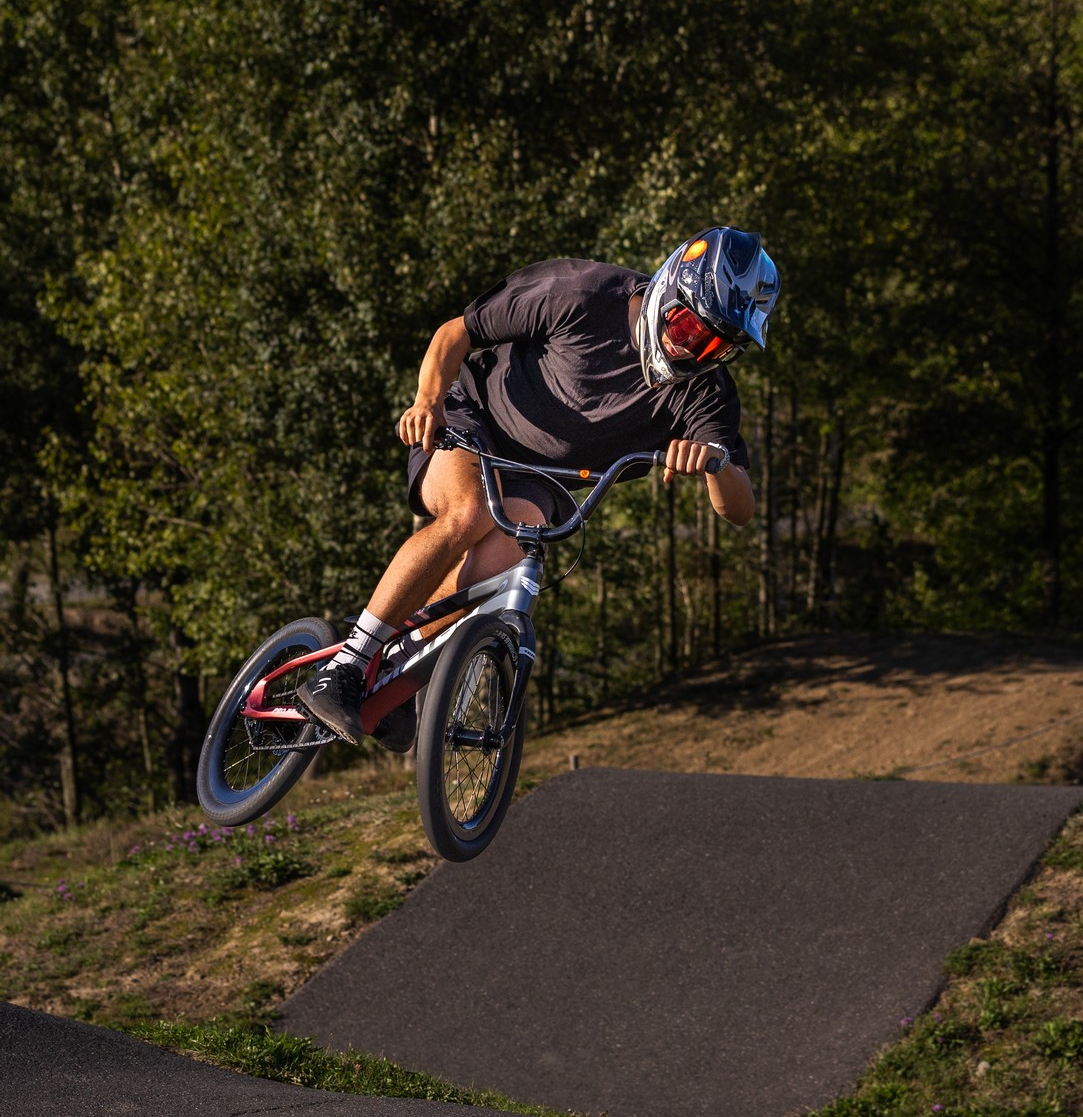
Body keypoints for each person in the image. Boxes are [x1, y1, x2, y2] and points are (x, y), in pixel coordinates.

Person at [298, 226, 781, 744]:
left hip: (543, 480)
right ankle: (345, 668)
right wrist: (427, 401)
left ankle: (394, 664)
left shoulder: (704, 393)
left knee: (503, 566)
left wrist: (714, 466)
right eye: (688, 326)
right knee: (469, 513)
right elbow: (456, 332)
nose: (691, 348)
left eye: (714, 346)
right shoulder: (579, 293)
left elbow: (739, 509)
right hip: (474, 423)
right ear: (669, 288)